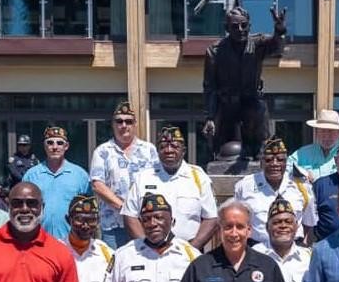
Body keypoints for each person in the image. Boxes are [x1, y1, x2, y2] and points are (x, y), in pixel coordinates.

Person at [203, 6, 286, 159]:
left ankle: (260, 150)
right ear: (226, 28)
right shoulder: (215, 51)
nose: (240, 29)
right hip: (226, 104)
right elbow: (210, 87)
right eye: (234, 26)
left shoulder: (257, 44)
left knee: (259, 109)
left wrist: (279, 30)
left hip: (251, 102)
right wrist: (210, 116)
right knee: (220, 146)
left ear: (249, 26)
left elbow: (276, 47)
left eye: (244, 25)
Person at [122, 126, 218, 251]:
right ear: (157, 151)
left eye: (174, 146)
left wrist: (191, 250)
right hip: (150, 253)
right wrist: (146, 247)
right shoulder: (143, 177)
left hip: (189, 251)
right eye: (163, 147)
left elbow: (211, 218)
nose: (169, 150)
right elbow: (130, 216)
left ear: (184, 151)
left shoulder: (199, 177)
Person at [89, 101, 158, 249]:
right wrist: (126, 209)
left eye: (128, 121)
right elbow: (98, 185)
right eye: (119, 121)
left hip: (145, 223)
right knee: (114, 268)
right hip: (114, 227)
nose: (124, 125)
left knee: (144, 265)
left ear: (135, 124)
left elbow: (159, 181)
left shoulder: (149, 150)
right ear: (113, 125)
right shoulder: (102, 151)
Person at [233, 137, 316, 247]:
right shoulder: (245, 186)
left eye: (280, 160)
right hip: (257, 250)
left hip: (294, 250)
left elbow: (308, 224)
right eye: (269, 160)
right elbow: (237, 222)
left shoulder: (301, 185)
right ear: (261, 162)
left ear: (286, 163)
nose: (275, 164)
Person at [22, 125, 91, 240]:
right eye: (50, 143)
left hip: (71, 240)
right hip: (38, 239)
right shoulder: (31, 175)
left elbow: (88, 210)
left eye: (59, 143)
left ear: (66, 146)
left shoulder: (80, 175)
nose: (55, 147)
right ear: (44, 146)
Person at [286, 109, 339, 182]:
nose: (326, 136)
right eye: (323, 131)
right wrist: (303, 172)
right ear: (316, 131)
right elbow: (286, 168)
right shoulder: (303, 153)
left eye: (331, 131)